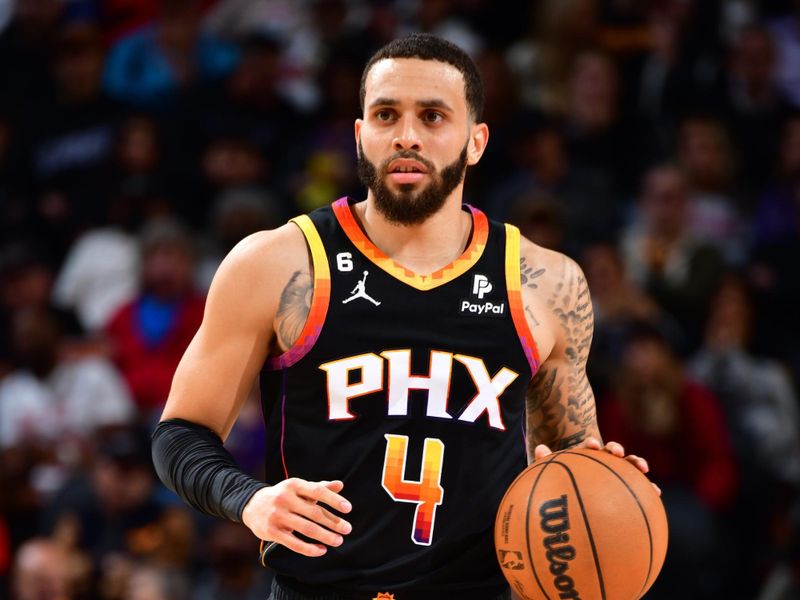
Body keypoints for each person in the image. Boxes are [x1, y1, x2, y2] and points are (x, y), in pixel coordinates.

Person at [151, 33, 651, 600]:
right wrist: (250, 500)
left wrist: (604, 485)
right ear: (361, 134)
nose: (407, 136)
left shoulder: (546, 283)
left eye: (434, 117)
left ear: (476, 141)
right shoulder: (276, 263)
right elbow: (180, 434)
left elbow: (571, 461)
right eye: (386, 115)